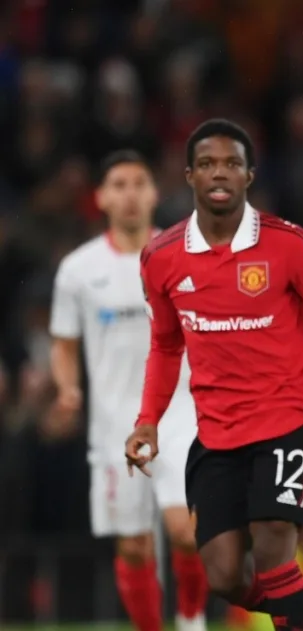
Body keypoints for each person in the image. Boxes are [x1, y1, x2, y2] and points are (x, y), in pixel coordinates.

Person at [123, 119, 303, 631]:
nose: (221, 173)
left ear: (249, 175)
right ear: (189, 174)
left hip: (287, 422)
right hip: (215, 435)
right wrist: (148, 420)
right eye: (209, 164)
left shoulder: (290, 246)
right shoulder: (161, 258)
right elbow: (166, 344)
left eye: (232, 163)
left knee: (274, 561)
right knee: (223, 577)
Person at [49, 150, 209, 631]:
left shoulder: (184, 255)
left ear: (154, 193)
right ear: (100, 197)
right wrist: (68, 389)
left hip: (181, 416)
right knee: (134, 544)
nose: (130, 193)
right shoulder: (78, 270)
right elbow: (63, 344)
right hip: (114, 424)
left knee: (187, 531)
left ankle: (191, 619)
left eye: (139, 183)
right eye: (118, 184)